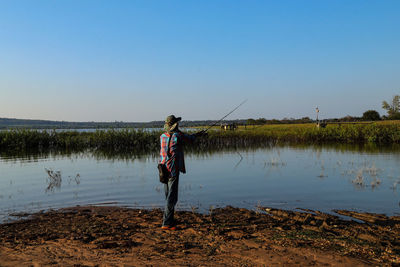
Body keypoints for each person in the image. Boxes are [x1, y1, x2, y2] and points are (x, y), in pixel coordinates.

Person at [159, 115, 206, 230]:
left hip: (162, 169)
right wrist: (198, 135)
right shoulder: (178, 136)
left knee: (168, 196)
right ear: (175, 125)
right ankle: (167, 223)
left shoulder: (162, 136)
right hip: (173, 169)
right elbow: (189, 139)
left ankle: (170, 219)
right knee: (172, 197)